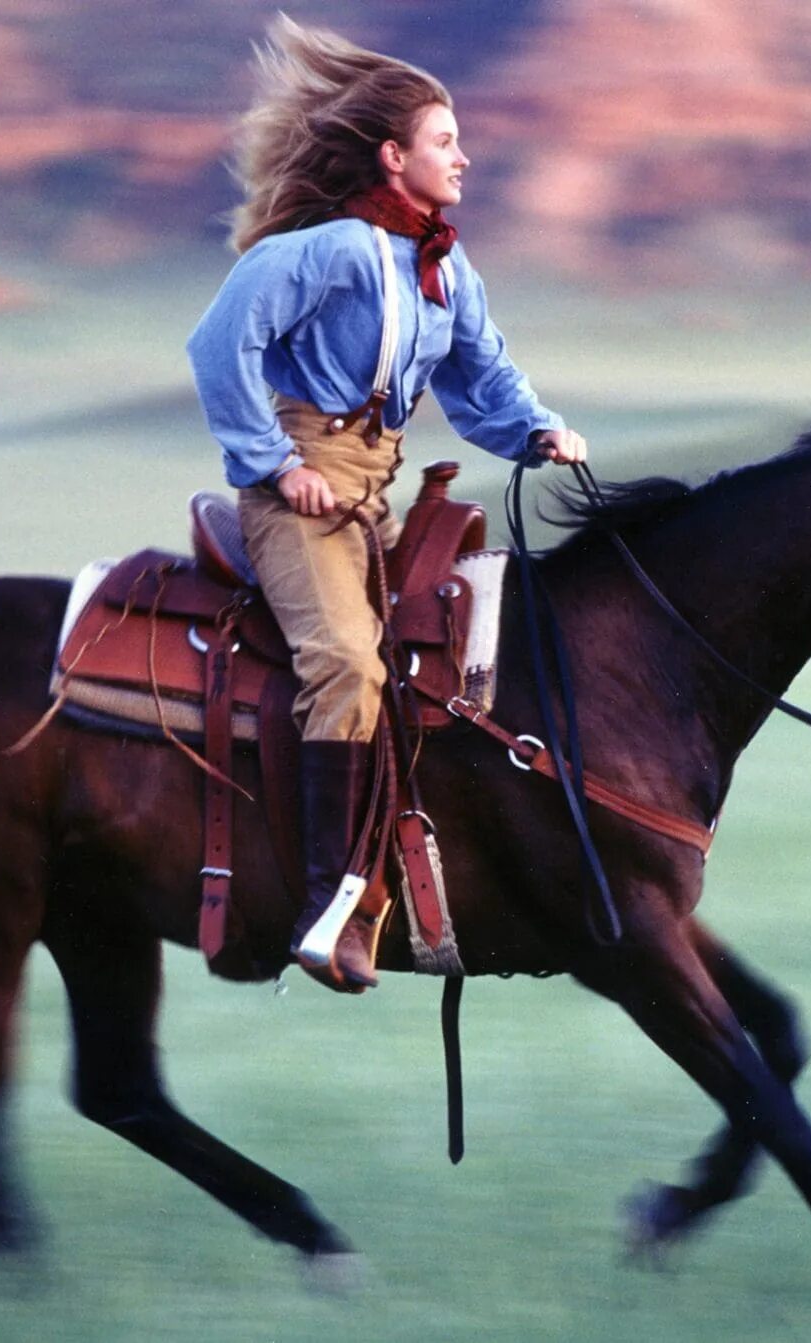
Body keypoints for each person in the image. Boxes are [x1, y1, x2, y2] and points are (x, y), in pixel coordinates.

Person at [186, 17, 587, 992]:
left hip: (377, 488)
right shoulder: (327, 252)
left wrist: (534, 429)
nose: (462, 157)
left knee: (453, 657)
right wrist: (277, 465)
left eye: (457, 140)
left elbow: (482, 377)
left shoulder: (445, 272)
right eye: (444, 141)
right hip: (303, 490)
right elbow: (216, 343)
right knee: (347, 666)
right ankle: (328, 903)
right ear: (392, 155)